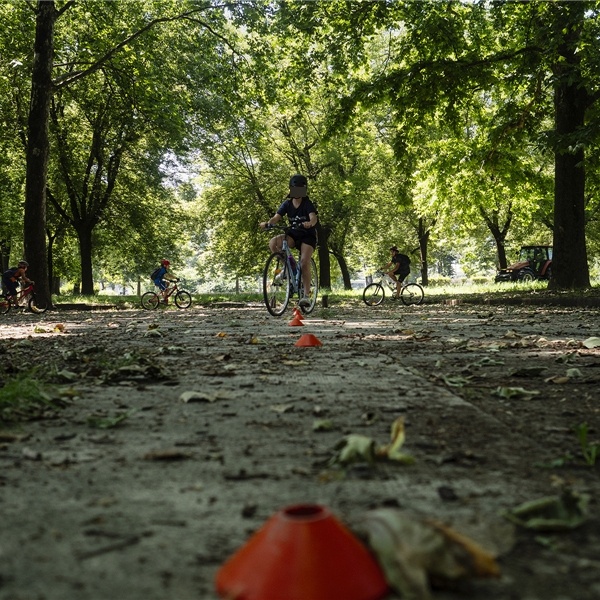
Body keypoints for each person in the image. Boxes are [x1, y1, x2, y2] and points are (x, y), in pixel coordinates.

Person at [259, 174, 318, 308]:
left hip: (307, 235)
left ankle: (306, 295)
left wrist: (310, 223)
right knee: (273, 243)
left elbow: (313, 217)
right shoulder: (287, 204)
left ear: (304, 190)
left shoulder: (307, 203)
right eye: (294, 188)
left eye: (300, 189)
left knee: (304, 262)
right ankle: (287, 270)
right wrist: (269, 224)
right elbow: (276, 217)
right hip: (293, 234)